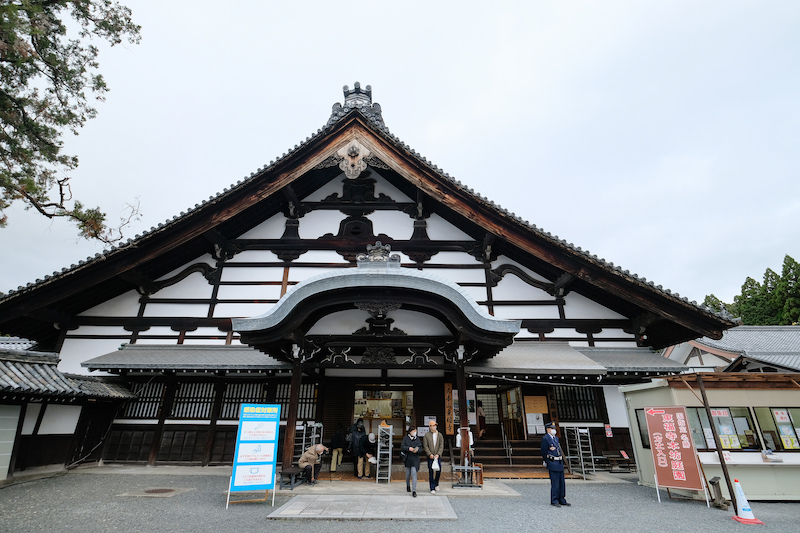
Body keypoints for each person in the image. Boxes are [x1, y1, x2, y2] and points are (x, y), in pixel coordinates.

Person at [541, 422, 570, 507]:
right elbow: (543, 450)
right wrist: (546, 460)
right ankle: (554, 500)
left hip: (559, 462)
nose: (554, 430)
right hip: (552, 462)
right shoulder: (545, 438)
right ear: (548, 430)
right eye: (552, 428)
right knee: (555, 482)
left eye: (554, 428)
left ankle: (562, 499)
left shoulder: (556, 438)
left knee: (562, 482)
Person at [423, 419, 444, 493]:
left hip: (437, 456)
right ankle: (432, 487)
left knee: (439, 470)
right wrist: (429, 454)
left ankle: (436, 483)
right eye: (433, 425)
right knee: (431, 472)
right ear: (430, 427)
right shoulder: (426, 435)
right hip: (430, 456)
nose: (434, 427)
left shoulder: (440, 435)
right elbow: (425, 446)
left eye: (435, 425)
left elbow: (441, 445)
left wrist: (438, 454)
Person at [401, 425, 422, 497]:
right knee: (407, 474)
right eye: (413, 431)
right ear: (410, 432)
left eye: (415, 431)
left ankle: (414, 490)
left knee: (414, 474)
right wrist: (408, 448)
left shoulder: (417, 439)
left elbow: (420, 447)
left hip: (415, 459)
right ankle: (407, 485)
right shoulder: (406, 438)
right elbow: (402, 446)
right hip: (408, 459)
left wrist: (417, 450)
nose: (415, 432)